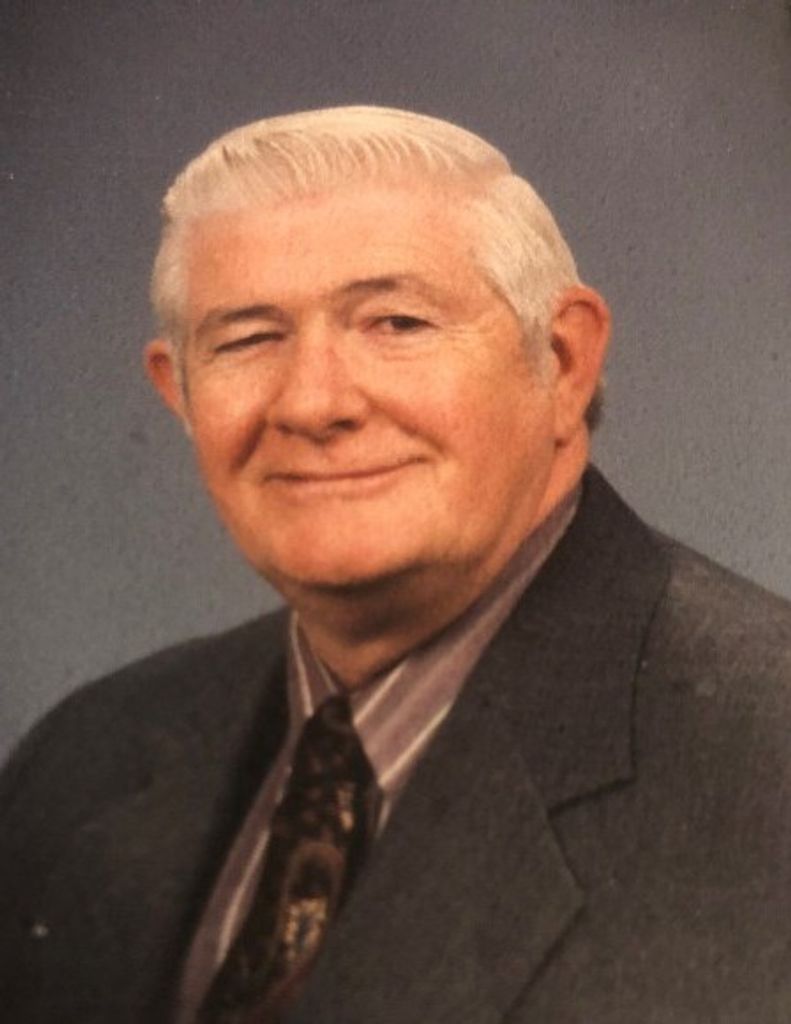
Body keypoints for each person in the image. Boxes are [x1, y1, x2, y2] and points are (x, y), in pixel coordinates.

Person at [1, 106, 790, 1024]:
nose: (313, 403)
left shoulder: (765, 760)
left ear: (563, 360)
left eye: (396, 322)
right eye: (247, 339)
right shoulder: (83, 759)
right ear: (178, 392)